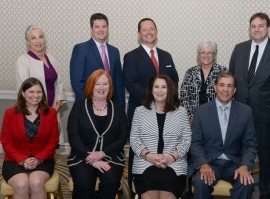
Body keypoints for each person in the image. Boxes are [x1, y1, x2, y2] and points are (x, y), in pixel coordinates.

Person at [229, 12, 270, 199]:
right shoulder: (239, 48)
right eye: (253, 26)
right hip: (240, 113)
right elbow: (232, 77)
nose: (256, 29)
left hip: (266, 114)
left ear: (268, 28)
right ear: (249, 28)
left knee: (266, 158)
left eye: (261, 26)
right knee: (240, 155)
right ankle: (243, 188)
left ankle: (266, 193)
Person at [123, 18, 179, 198]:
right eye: (144, 30)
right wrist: (156, 102)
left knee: (164, 147)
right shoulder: (131, 57)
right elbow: (131, 84)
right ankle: (136, 187)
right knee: (139, 150)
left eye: (152, 29)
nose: (149, 32)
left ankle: (163, 182)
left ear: (156, 31)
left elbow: (174, 81)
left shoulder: (166, 56)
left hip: (166, 114)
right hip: (141, 111)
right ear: (139, 34)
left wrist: (164, 103)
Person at [189, 71, 257, 199]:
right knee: (200, 182)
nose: (225, 89)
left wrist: (245, 165)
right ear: (215, 88)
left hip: (234, 163)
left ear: (234, 90)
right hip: (210, 162)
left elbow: (250, 144)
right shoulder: (201, 111)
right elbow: (195, 143)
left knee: (246, 184)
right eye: (221, 85)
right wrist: (203, 164)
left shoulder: (245, 112)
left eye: (229, 86)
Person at [67, 69, 129, 199]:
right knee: (84, 183)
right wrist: (92, 160)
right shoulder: (78, 107)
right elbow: (73, 136)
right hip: (82, 155)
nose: (102, 88)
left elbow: (122, 137)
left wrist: (102, 153)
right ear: (91, 86)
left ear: (110, 87)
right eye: (98, 84)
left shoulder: (118, 108)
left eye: (105, 84)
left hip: (111, 155)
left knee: (111, 181)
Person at [130, 74, 191, 199]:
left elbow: (186, 139)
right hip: (145, 162)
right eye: (156, 87)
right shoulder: (140, 111)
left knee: (167, 193)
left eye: (164, 87)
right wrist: (149, 156)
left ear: (169, 90)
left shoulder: (181, 112)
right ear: (151, 90)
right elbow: (134, 139)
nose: (160, 90)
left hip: (173, 163)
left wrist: (171, 158)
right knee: (149, 192)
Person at [1, 77, 59, 199]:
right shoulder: (10, 113)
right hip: (14, 160)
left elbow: (53, 142)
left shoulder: (51, 113)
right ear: (23, 93)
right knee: (22, 184)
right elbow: (6, 142)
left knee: (36, 182)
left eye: (39, 92)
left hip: (43, 160)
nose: (35, 95)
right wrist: (22, 160)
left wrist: (39, 159)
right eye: (31, 92)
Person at [15, 25, 67, 143]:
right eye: (33, 38)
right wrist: (40, 111)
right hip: (33, 111)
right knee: (35, 146)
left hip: (53, 109)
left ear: (45, 39)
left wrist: (57, 106)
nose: (38, 41)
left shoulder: (52, 59)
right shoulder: (23, 60)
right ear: (28, 42)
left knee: (51, 145)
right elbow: (23, 89)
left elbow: (59, 83)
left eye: (41, 37)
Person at [70, 13, 125, 107]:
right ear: (91, 29)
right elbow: (77, 82)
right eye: (97, 27)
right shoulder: (81, 49)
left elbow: (118, 82)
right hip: (88, 105)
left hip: (112, 106)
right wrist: (88, 106)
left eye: (104, 26)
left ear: (108, 28)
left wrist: (121, 107)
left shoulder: (114, 51)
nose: (101, 30)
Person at [180, 41, 227, 124]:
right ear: (199, 55)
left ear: (214, 55)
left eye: (209, 53)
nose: (206, 56)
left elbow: (227, 94)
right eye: (203, 52)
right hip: (194, 119)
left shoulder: (223, 72)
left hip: (217, 118)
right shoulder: (190, 72)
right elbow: (184, 97)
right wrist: (189, 117)